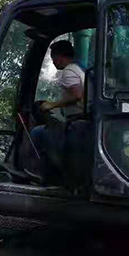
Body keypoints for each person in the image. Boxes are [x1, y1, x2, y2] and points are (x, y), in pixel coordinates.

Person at [30, 40, 86, 181]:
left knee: (37, 133)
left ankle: (45, 173)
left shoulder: (68, 72)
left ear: (60, 56)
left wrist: (52, 105)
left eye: (53, 58)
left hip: (76, 121)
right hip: (79, 119)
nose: (53, 62)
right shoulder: (79, 68)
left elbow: (77, 95)